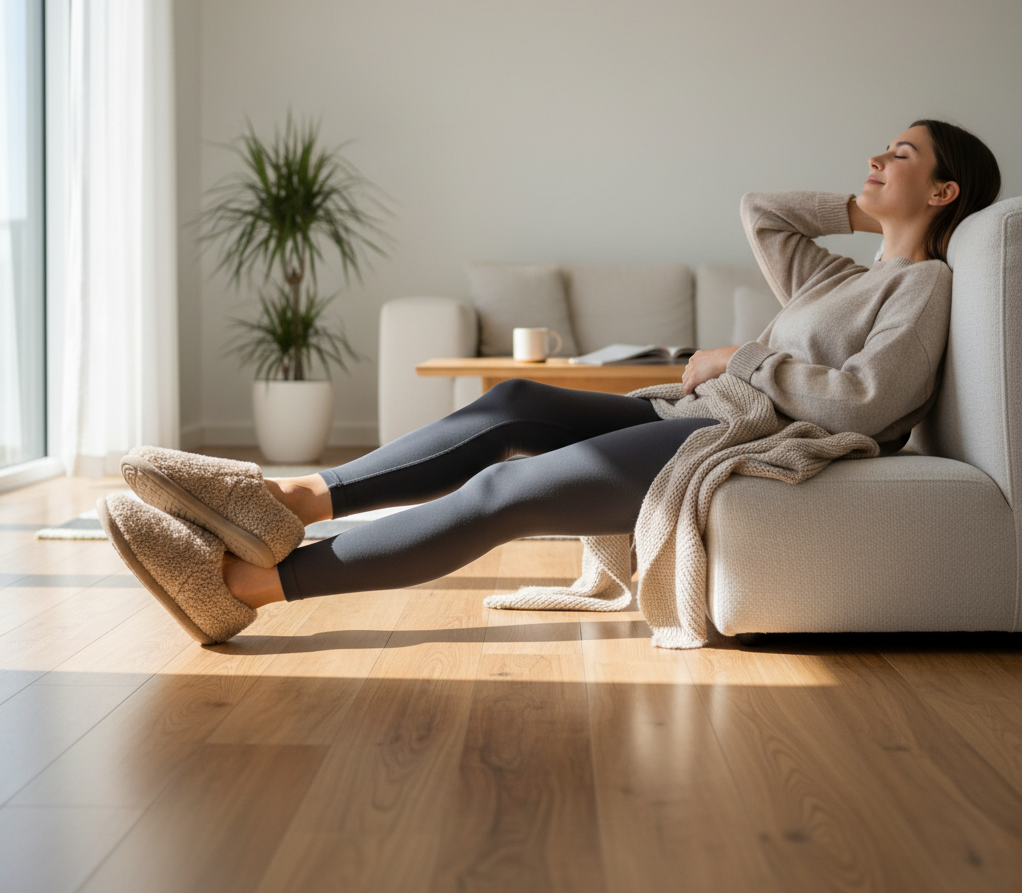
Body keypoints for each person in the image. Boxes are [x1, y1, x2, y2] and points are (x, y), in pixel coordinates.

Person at [97, 119, 1002, 645]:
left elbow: (871, 402)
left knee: (507, 491)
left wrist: (741, 359)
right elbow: (759, 211)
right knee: (512, 404)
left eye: (901, 155)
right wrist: (858, 210)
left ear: (944, 192)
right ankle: (288, 499)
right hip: (695, 409)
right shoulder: (839, 280)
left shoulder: (925, 285)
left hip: (739, 433)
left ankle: (242, 588)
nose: (876, 160)